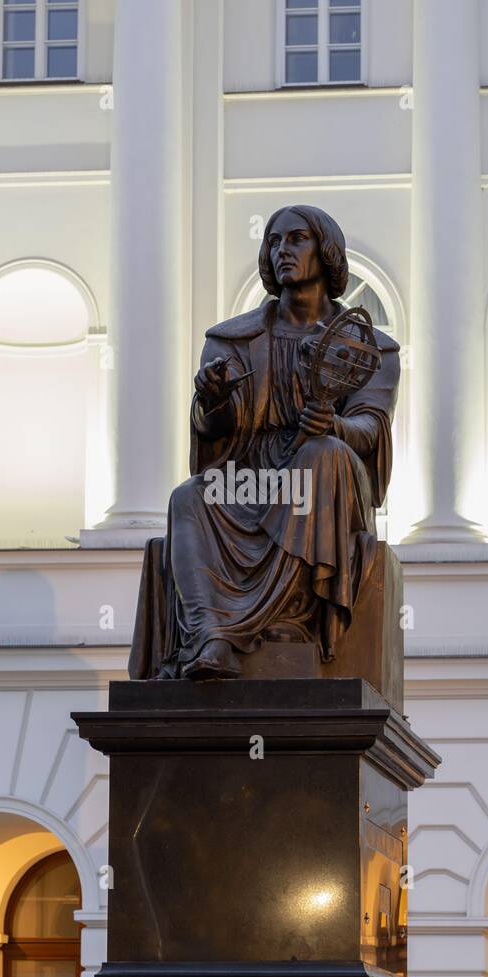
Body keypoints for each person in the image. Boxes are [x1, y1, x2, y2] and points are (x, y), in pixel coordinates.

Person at [129, 204, 400, 680]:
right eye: (274, 242)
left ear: (327, 252)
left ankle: (291, 625)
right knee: (190, 497)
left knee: (322, 456)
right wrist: (212, 405)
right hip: (251, 481)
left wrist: (333, 426)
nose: (282, 251)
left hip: (327, 482)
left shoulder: (369, 348)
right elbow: (216, 439)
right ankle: (213, 637)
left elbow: (370, 429)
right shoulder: (233, 340)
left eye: (297, 239)